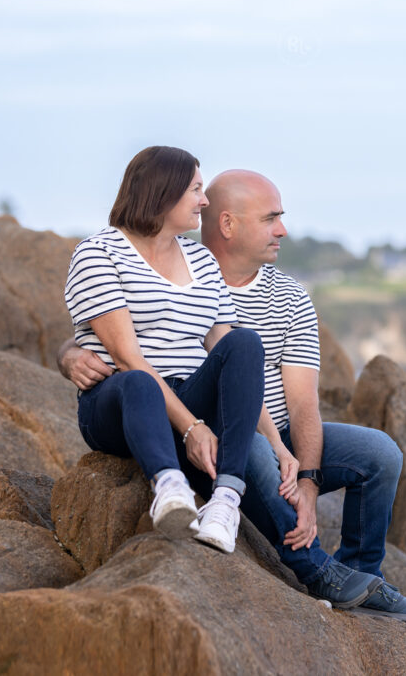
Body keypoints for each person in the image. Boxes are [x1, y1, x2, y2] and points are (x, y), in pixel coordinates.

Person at [60, 170, 406, 622]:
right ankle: (314, 567)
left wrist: (307, 480)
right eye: (271, 219)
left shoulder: (287, 296)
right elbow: (118, 340)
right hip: (212, 426)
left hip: (273, 432)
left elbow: (304, 405)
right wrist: (69, 354)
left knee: (380, 453)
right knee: (249, 444)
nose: (283, 230)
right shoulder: (166, 265)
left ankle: (362, 580)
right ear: (229, 224)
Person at [64, 146, 265, 554]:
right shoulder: (99, 252)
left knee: (246, 342)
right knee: (136, 379)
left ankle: (225, 502)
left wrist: (276, 444)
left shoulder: (203, 261)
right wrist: (193, 428)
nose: (204, 200)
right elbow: (126, 358)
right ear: (163, 192)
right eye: (195, 189)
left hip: (187, 392)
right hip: (119, 405)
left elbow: (228, 353)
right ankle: (170, 489)